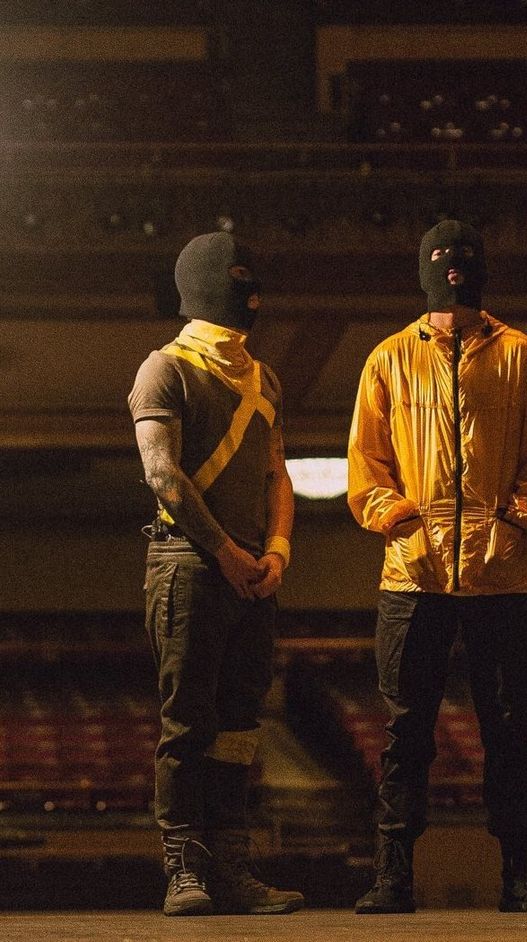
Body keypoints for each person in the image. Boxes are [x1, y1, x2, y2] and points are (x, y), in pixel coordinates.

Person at [347, 219, 527, 914]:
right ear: (425, 271)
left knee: (508, 731)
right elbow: (367, 460)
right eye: (442, 261)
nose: (453, 273)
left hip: (501, 575)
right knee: (405, 731)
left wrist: (515, 519)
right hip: (412, 575)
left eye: (464, 261)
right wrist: (396, 518)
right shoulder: (388, 358)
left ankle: (521, 875)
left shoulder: (521, 355)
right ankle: (392, 876)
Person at [128, 231, 304, 917]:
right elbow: (163, 476)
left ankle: (230, 867)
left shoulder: (266, 378)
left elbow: (277, 474)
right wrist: (230, 554)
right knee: (187, 724)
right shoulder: (163, 369)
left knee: (238, 726)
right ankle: (183, 867)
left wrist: (277, 551)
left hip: (253, 572)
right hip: (187, 565)